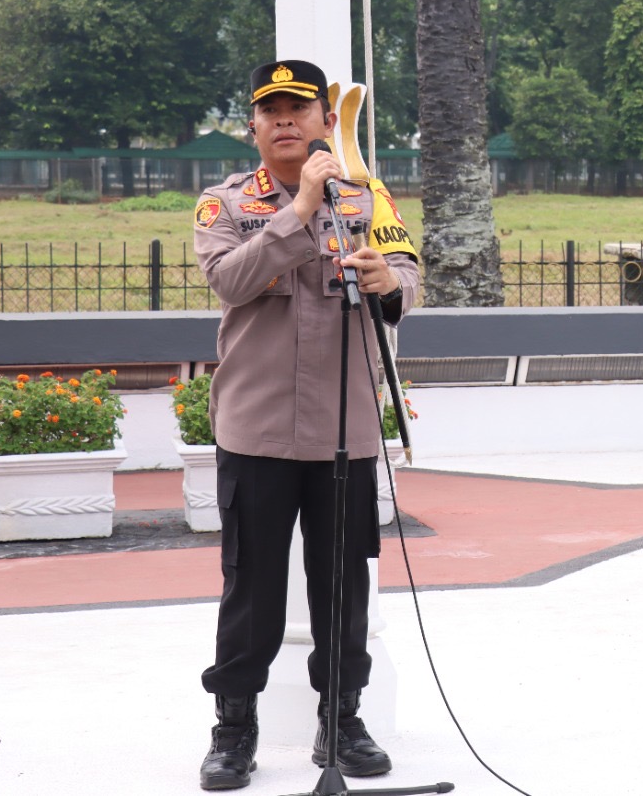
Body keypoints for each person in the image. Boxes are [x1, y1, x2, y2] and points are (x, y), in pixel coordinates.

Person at [194, 59, 420, 790]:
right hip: (256, 431)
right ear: (254, 126)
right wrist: (298, 213)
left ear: (326, 118)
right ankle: (234, 728)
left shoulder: (366, 197)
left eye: (300, 108)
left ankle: (342, 717)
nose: (286, 120)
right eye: (272, 110)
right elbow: (230, 281)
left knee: (342, 585)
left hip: (343, 430)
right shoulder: (225, 204)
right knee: (251, 586)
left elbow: (405, 273)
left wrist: (394, 283)